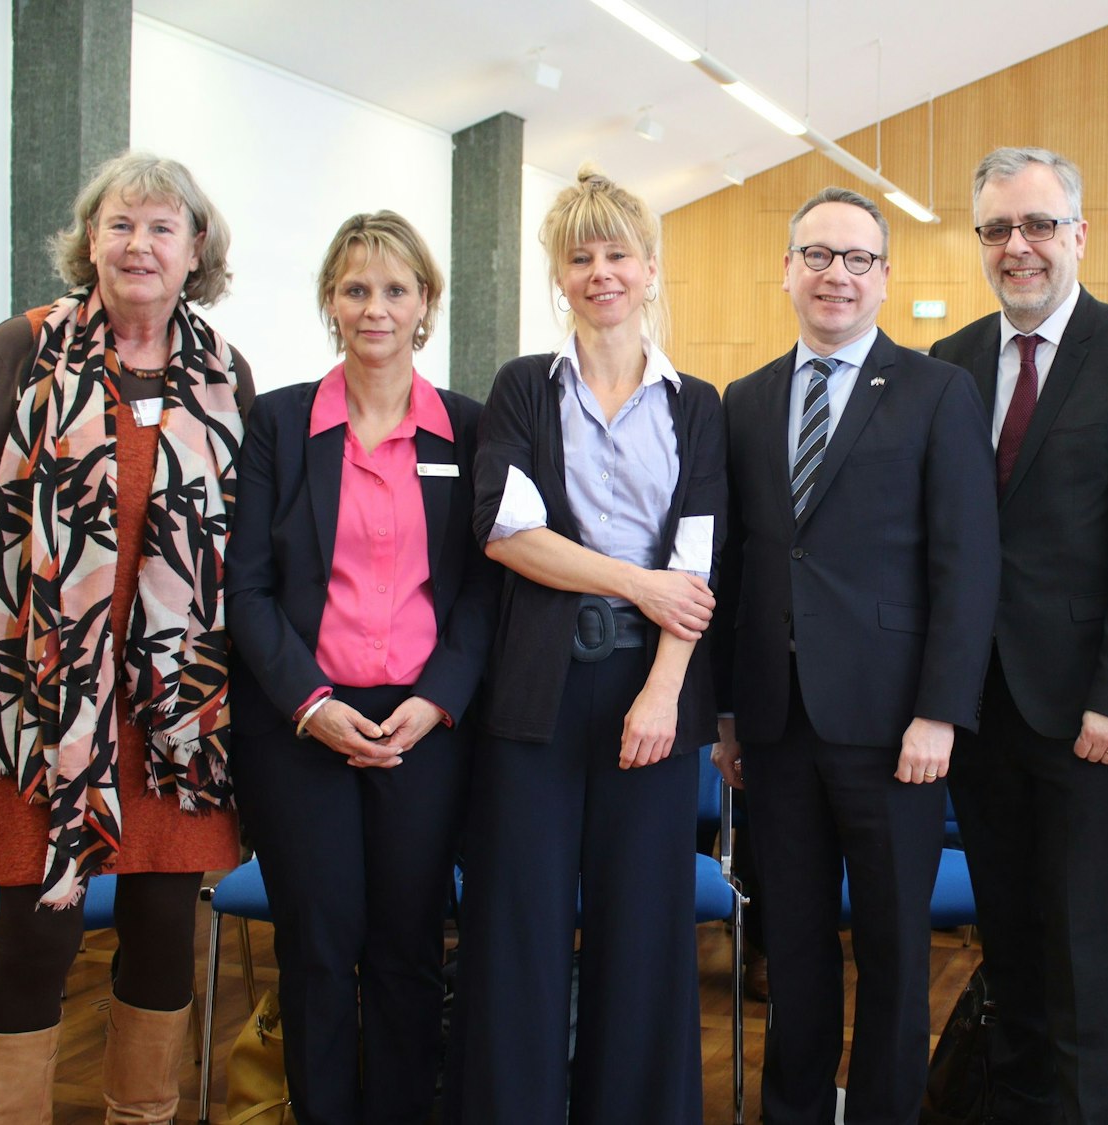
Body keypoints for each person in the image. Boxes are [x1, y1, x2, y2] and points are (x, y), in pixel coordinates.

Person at [0, 151, 250, 1123]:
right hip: (38, 692)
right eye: (119, 224)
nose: (138, 244)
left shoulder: (226, 373)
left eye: (160, 227)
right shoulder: (23, 349)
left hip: (174, 705)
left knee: (159, 931)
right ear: (89, 241)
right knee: (35, 936)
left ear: (195, 252)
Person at [712, 187, 1000, 1125]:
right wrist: (727, 714)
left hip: (893, 725)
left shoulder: (936, 391)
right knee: (790, 946)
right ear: (787, 269)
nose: (837, 274)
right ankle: (794, 1111)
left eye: (858, 259)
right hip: (778, 721)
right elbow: (739, 565)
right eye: (818, 255)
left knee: (892, 948)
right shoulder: (745, 400)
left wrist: (941, 710)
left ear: (886, 278)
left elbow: (966, 561)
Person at [449, 166, 724, 1124]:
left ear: (650, 269)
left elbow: (698, 566)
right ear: (559, 276)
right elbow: (508, 533)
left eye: (617, 254)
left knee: (641, 931)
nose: (600, 272)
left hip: (653, 691)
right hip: (533, 693)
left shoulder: (698, 405)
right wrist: (634, 581)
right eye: (580, 257)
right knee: (518, 923)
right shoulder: (525, 389)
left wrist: (664, 690)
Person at [927, 146, 1108, 1125]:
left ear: (1076, 234)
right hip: (973, 703)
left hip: (1083, 704)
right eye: (997, 229)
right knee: (1008, 931)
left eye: (1036, 225)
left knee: (1079, 939)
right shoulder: (946, 363)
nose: (1017, 246)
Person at [224, 211, 495, 1124]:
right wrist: (308, 702)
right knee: (318, 942)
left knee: (409, 946)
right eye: (355, 289)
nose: (374, 308)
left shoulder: (466, 426)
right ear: (330, 303)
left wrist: (438, 700)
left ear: (425, 304)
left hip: (425, 725)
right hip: (303, 724)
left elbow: (480, 590)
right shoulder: (282, 422)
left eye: (395, 289)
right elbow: (249, 588)